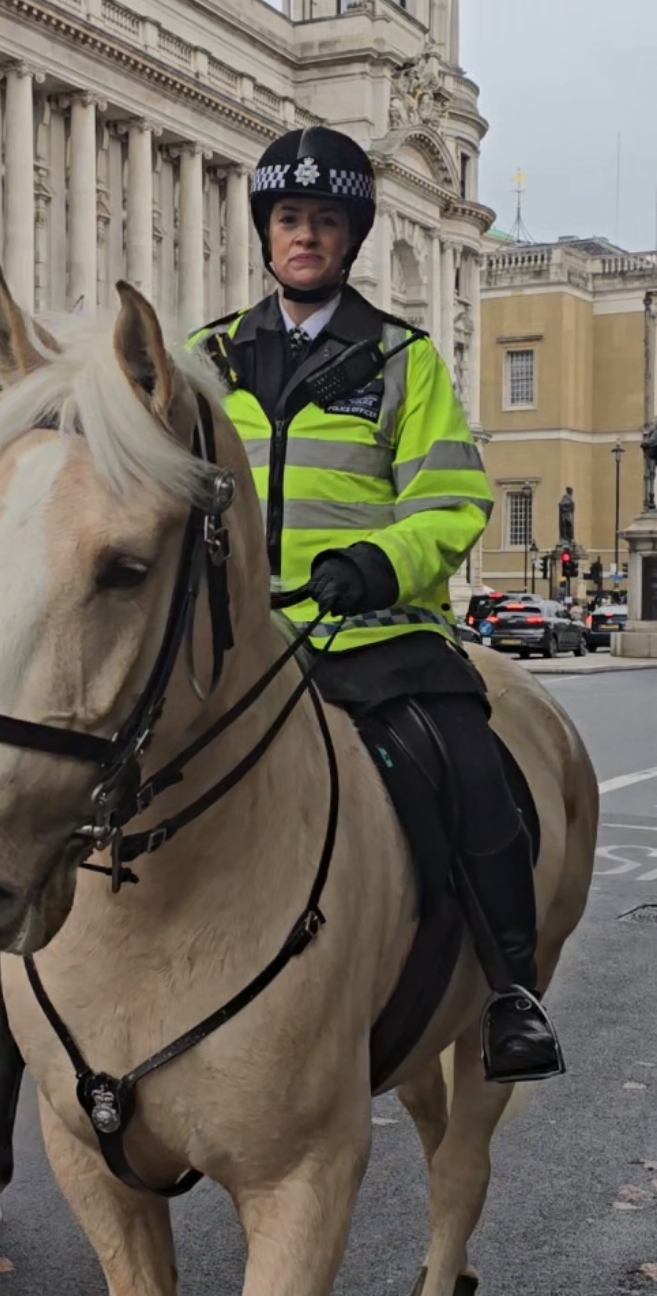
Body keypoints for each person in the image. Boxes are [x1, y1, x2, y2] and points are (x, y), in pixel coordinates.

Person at [192, 127, 563, 1083]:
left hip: (372, 630)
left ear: (349, 238)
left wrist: (378, 562)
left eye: (322, 220)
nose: (304, 236)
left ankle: (511, 992)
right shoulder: (204, 357)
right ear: (266, 234)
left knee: (471, 767)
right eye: (288, 219)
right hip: (231, 632)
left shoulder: (403, 359)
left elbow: (452, 502)